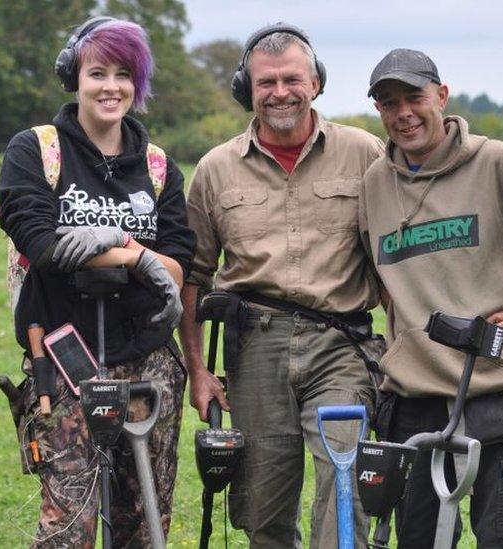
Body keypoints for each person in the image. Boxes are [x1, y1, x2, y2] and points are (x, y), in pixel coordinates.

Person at [359, 48, 503, 548]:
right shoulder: (373, 185)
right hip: (410, 403)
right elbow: (382, 282)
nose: (403, 113)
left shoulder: (499, 163)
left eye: (414, 97)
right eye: (388, 103)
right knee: (418, 541)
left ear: (442, 95)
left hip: (493, 398)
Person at [180, 23, 384, 548]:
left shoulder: (365, 154)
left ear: (316, 82)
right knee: (262, 508)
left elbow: (397, 255)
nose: (279, 92)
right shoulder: (214, 169)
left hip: (341, 344)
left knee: (344, 486)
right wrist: (199, 371)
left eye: (292, 79)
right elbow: (193, 278)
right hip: (255, 347)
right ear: (246, 90)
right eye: (265, 82)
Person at [0, 17, 195, 547]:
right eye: (97, 72)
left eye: (124, 74)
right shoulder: (36, 150)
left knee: (144, 516)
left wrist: (129, 252)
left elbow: (178, 265)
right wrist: (134, 256)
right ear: (73, 77)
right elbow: (38, 241)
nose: (111, 86)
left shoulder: (158, 168)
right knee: (69, 523)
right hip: (65, 353)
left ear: (139, 83)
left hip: (150, 355)